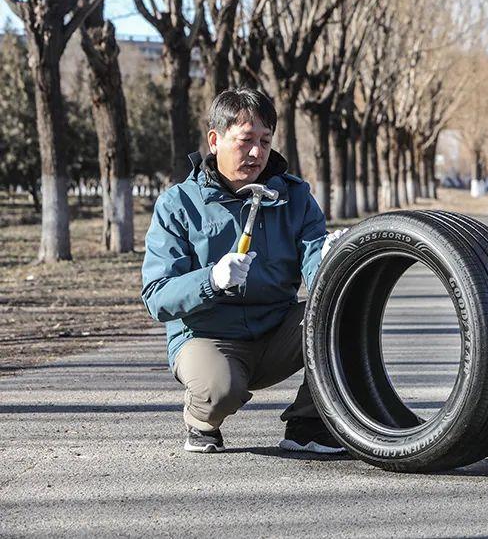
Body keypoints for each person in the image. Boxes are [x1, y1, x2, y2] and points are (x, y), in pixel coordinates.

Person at [141, 87, 345, 454]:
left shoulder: (294, 197)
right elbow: (157, 296)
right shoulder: (178, 204)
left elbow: (316, 266)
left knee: (342, 316)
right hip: (206, 335)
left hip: (275, 332)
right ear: (215, 140)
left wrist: (333, 261)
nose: (257, 152)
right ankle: (201, 418)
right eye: (246, 140)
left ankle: (309, 423)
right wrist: (211, 280)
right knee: (221, 389)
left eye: (265, 141)